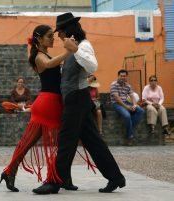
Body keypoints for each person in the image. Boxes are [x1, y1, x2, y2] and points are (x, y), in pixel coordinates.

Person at [33, 12, 126, 194]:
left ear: (68, 30)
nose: (58, 35)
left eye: (60, 31)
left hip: (77, 99)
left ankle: (54, 182)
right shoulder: (71, 47)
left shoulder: (83, 45)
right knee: (93, 142)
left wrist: (75, 50)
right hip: (76, 99)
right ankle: (115, 177)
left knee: (66, 140)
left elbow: (93, 66)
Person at [0, 25, 77, 193]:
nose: (53, 38)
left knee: (53, 144)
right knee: (56, 144)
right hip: (48, 104)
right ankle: (56, 178)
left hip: (50, 103)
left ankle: (11, 172)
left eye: (52, 35)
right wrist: (68, 51)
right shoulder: (39, 57)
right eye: (49, 36)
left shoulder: (44, 54)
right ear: (39, 39)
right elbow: (49, 64)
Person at [110, 69, 145, 145]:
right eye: (121, 76)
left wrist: (134, 105)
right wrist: (127, 107)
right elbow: (117, 98)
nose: (123, 77)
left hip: (126, 102)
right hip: (116, 104)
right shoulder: (114, 85)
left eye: (124, 76)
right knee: (127, 115)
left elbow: (132, 96)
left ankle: (129, 130)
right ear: (118, 76)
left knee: (141, 111)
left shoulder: (128, 86)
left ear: (126, 77)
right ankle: (130, 137)